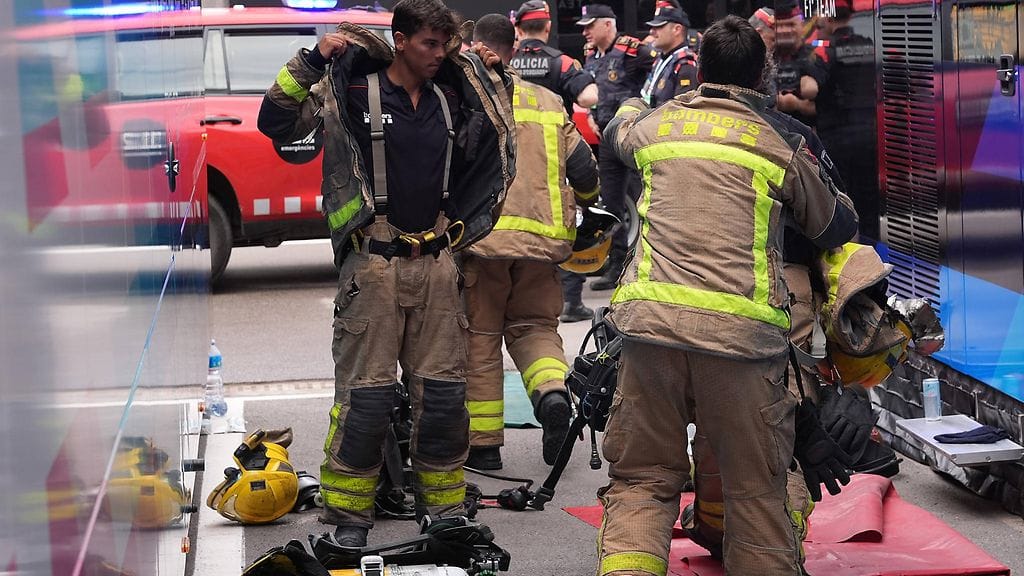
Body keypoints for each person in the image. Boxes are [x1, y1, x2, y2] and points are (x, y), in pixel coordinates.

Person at [597, 14, 858, 576]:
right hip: (742, 341)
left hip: (649, 331)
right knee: (759, 495)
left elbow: (617, 130)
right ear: (764, 72)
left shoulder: (657, 127)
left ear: (699, 68)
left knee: (642, 481)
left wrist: (631, 99)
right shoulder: (781, 140)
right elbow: (835, 227)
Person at [257, 0, 514, 548]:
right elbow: (274, 120)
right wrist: (311, 58)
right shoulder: (350, 92)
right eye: (428, 44)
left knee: (444, 399)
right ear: (399, 40)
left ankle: (443, 513)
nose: (438, 55)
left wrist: (494, 74)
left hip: (440, 267)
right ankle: (348, 520)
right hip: (372, 266)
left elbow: (494, 142)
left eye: (444, 45)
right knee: (367, 400)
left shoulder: (453, 95)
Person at [463, 13, 600, 471]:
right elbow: (584, 171)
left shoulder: (468, 96)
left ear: (476, 46)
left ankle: (483, 446)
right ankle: (553, 397)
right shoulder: (546, 101)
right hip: (543, 247)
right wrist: (588, 203)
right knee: (536, 331)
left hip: (481, 245)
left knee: (479, 340)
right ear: (514, 48)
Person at [508, 0, 601, 322]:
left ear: (518, 29)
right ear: (547, 27)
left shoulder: (505, 61)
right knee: (566, 224)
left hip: (509, 161)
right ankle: (570, 301)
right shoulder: (561, 63)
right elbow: (590, 97)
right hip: (553, 160)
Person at [579, 3, 654, 291]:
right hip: (607, 140)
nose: (585, 31)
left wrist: (645, 112)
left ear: (607, 25)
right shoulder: (590, 55)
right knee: (611, 203)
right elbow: (591, 90)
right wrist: (589, 114)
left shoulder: (633, 50)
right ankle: (617, 261)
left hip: (632, 136)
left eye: (590, 25)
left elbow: (658, 78)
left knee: (648, 199)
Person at [813, 0, 880, 240]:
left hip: (836, 138)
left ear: (829, 19)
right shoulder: (869, 45)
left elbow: (811, 89)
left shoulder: (824, 50)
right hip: (869, 134)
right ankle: (873, 257)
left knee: (842, 200)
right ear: (851, 16)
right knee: (869, 201)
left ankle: (852, 261)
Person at [773, 0, 822, 127]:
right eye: (780, 25)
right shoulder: (765, 57)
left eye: (790, 24)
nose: (784, 30)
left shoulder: (815, 56)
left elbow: (829, 107)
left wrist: (797, 104)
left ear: (801, 25)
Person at [641, 0, 699, 108]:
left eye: (659, 26)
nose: (652, 32)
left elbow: (681, 111)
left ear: (677, 29)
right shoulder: (661, 59)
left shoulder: (686, 64)